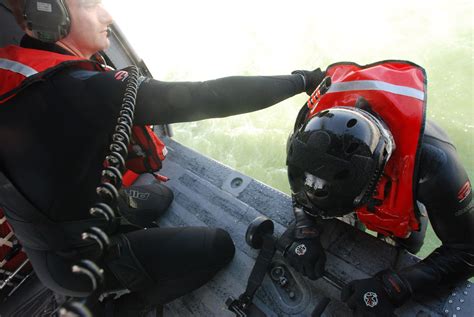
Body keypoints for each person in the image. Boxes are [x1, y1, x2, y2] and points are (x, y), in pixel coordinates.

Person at [0, 0, 325, 315]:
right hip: (78, 259)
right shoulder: (71, 90)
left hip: (72, 217)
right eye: (90, 5)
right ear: (47, 14)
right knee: (216, 247)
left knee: (160, 197)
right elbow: (206, 96)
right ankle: (118, 308)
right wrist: (301, 80)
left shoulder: (20, 71)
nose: (107, 16)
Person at [283, 61, 474, 316]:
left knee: (409, 242)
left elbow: (467, 248)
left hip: (405, 195)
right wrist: (306, 228)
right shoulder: (309, 131)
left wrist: (397, 285)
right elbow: (301, 191)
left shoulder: (434, 165)